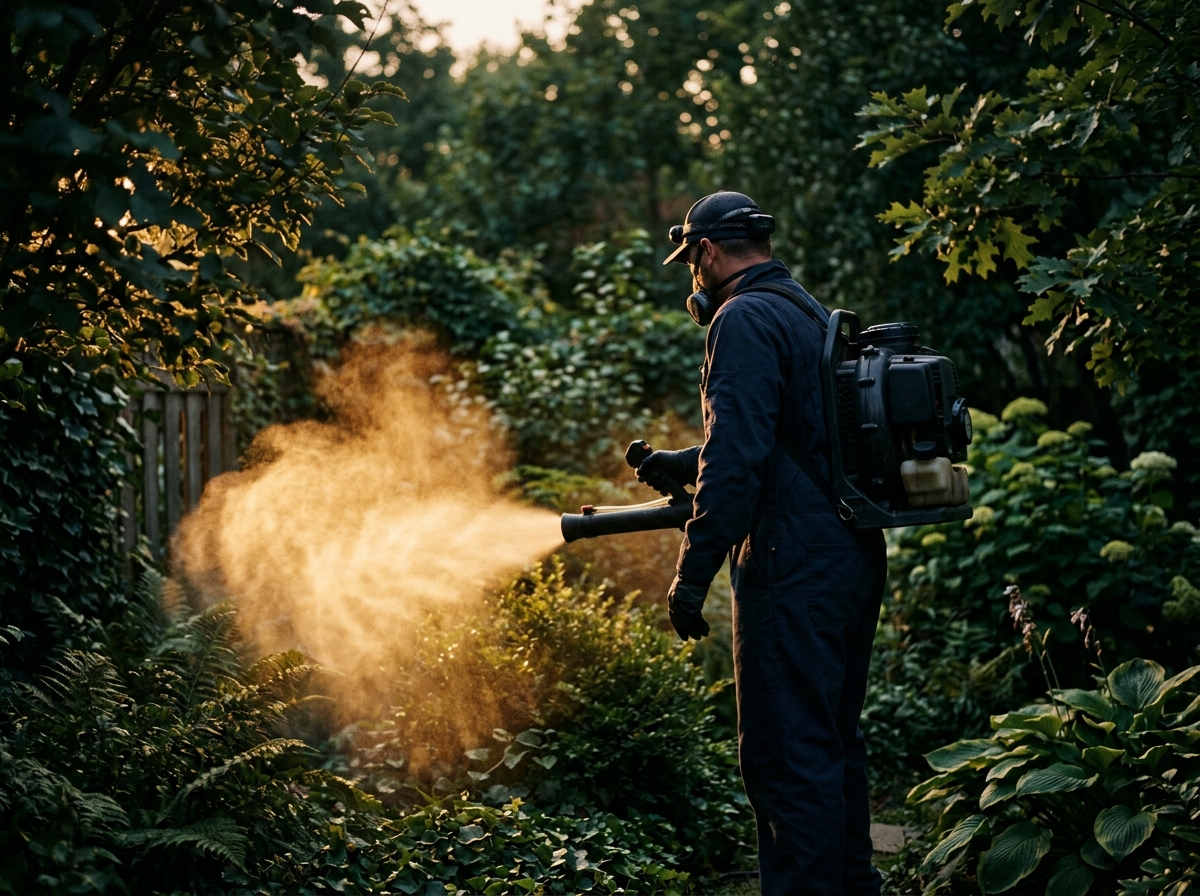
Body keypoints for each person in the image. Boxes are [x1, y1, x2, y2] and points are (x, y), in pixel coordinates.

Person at [638, 191, 887, 895]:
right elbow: (793, 440)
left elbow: (740, 459)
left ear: (707, 251)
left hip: (792, 563)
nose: (693, 278)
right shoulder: (806, 311)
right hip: (850, 551)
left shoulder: (742, 318)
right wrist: (687, 462)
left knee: (786, 754)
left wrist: (692, 576)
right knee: (830, 739)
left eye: (691, 262)